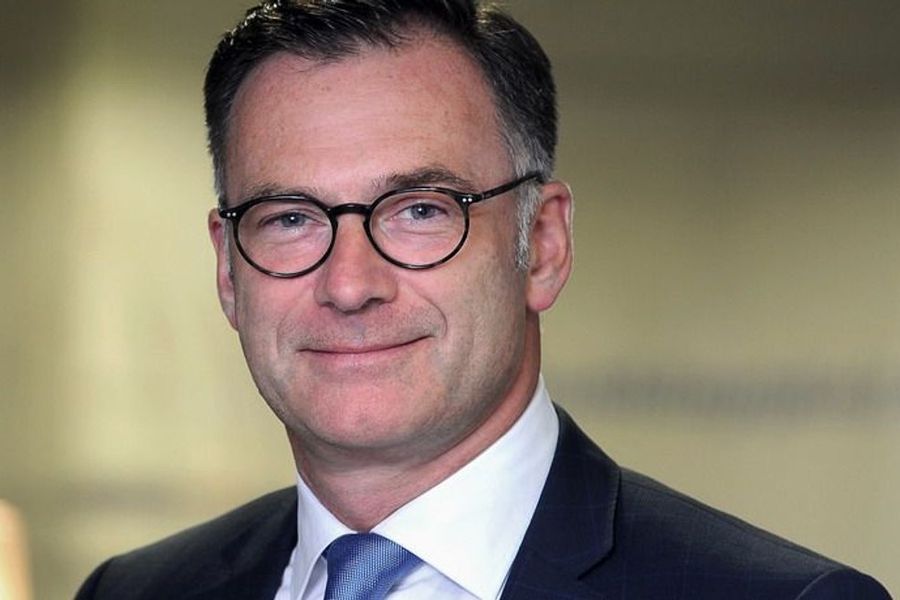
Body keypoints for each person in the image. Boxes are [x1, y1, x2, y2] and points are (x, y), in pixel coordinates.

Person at [76, 1, 890, 598]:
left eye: (421, 211)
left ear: (544, 245)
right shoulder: (135, 593)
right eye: (290, 219)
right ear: (227, 270)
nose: (350, 285)